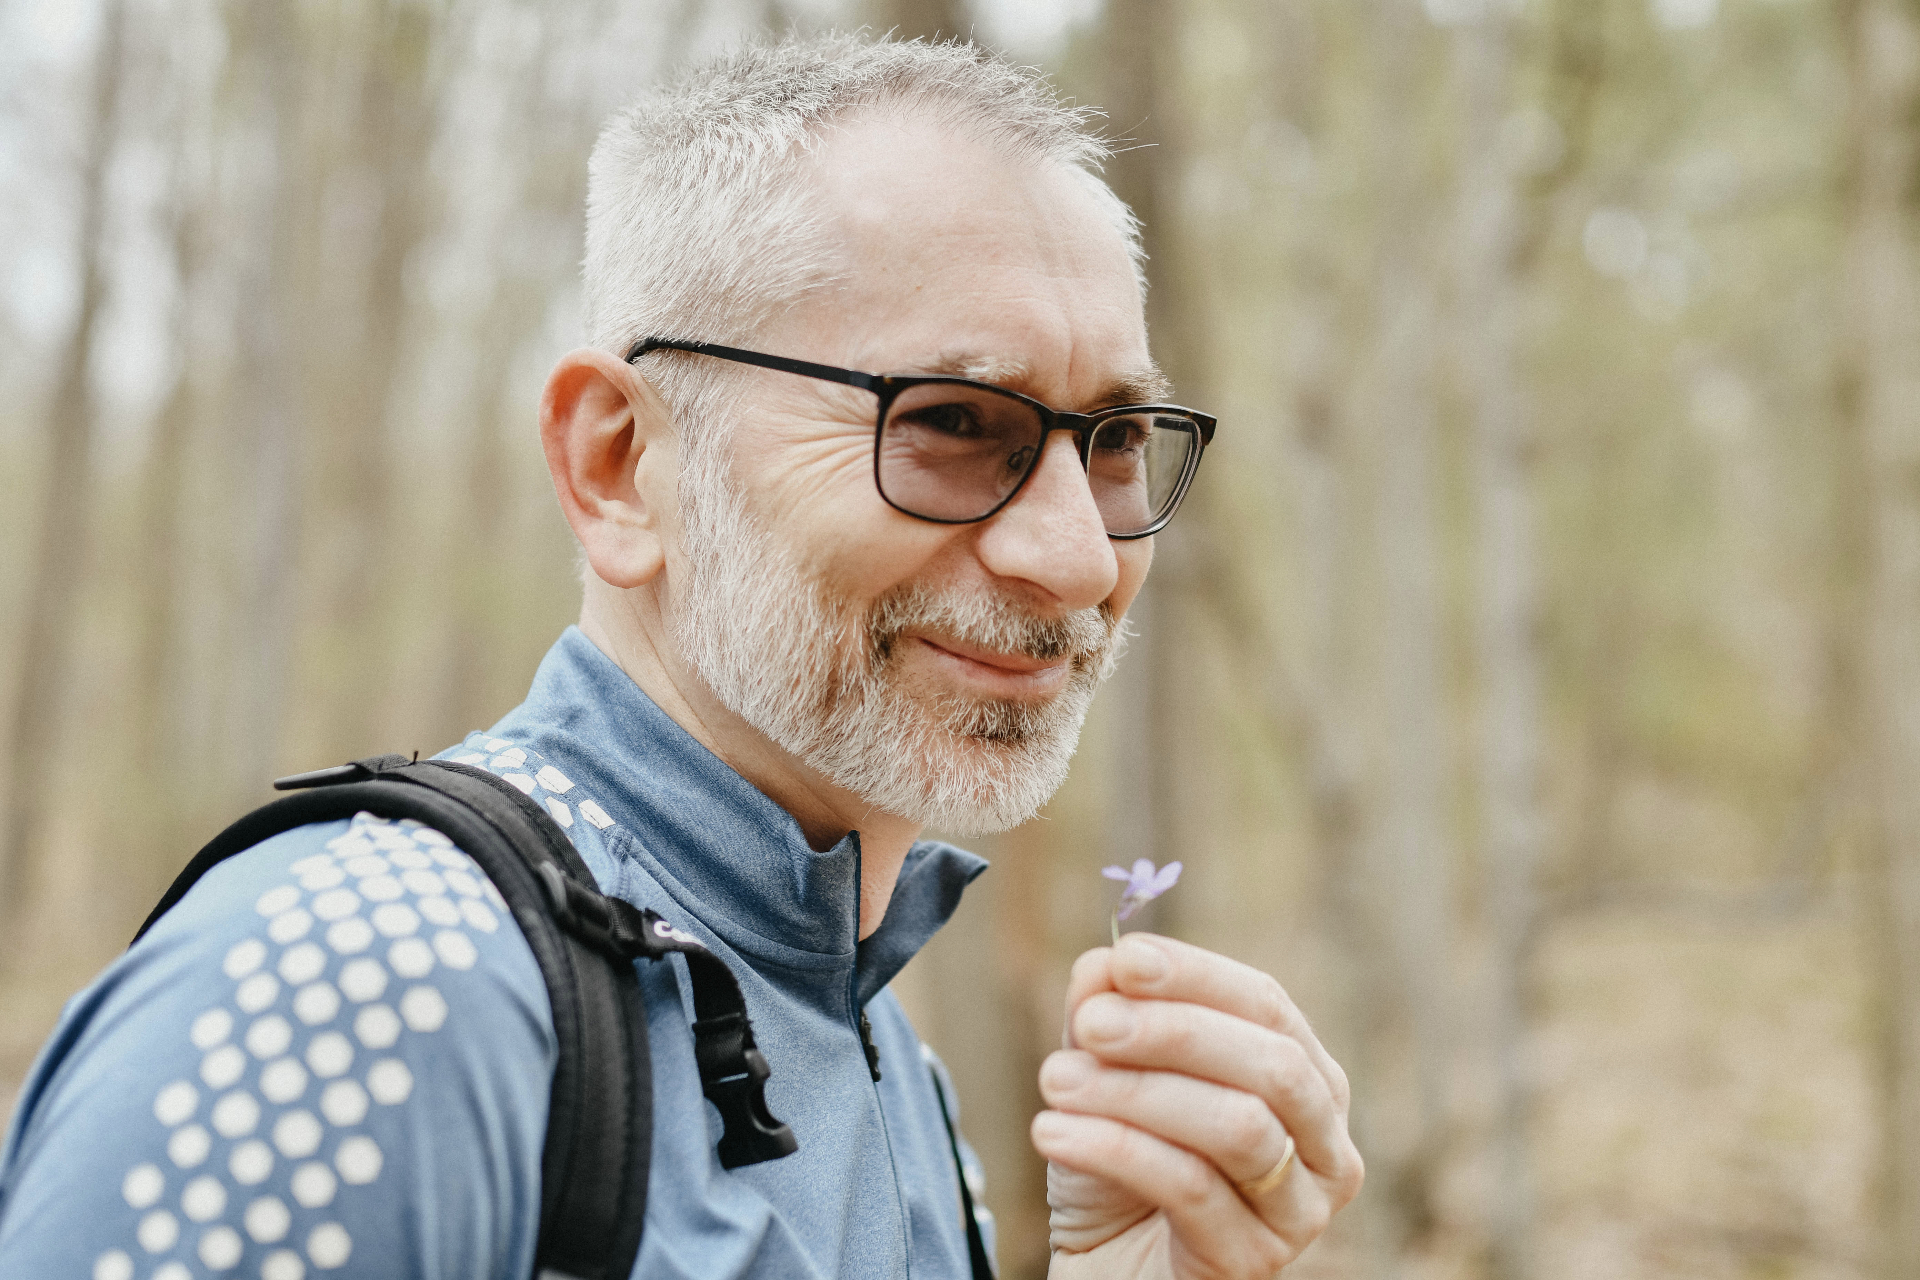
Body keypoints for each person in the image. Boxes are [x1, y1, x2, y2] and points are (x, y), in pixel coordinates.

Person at [0, 33, 1360, 1280]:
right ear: (622, 466)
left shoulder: (883, 1058)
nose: (1074, 558)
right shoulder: (351, 992)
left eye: (1114, 441)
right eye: (951, 419)